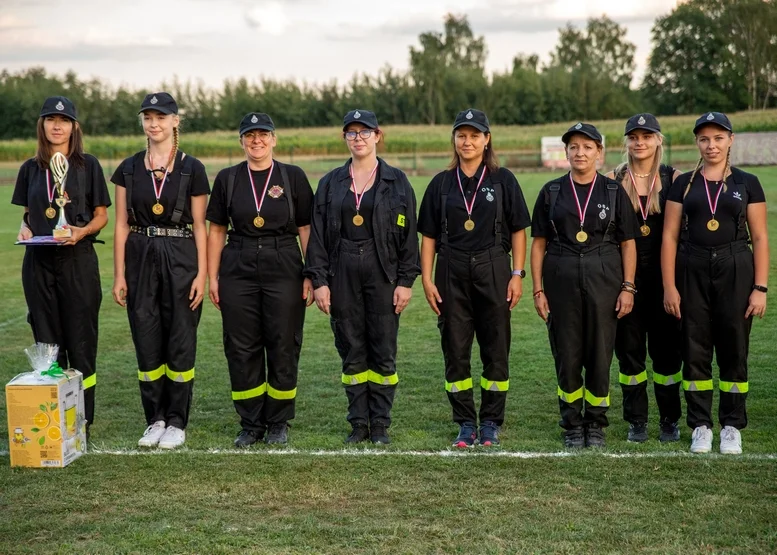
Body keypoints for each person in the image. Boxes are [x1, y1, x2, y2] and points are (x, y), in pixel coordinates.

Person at [304, 109, 420, 445]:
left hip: (382, 270)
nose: (358, 138)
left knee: (382, 348)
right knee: (351, 347)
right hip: (341, 271)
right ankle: (358, 422)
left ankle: (380, 422)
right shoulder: (330, 183)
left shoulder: (396, 180)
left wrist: (405, 281)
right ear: (345, 138)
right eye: (352, 133)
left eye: (364, 132)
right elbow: (319, 238)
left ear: (377, 136)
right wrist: (321, 280)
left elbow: (409, 236)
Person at [417, 108, 531, 448]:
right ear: (454, 139)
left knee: (496, 349)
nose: (468, 141)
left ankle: (492, 422)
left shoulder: (503, 180)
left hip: (494, 267)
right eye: (462, 135)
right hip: (450, 270)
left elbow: (519, 231)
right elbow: (429, 237)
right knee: (455, 350)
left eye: (475, 135)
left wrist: (517, 274)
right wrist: (426, 278)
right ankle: (465, 422)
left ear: (487, 139)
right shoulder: (440, 183)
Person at [662, 112, 768, 455]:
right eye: (704, 139)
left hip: (736, 266)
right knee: (695, 348)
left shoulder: (747, 182)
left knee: (734, 348)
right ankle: (701, 426)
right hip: (690, 267)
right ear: (697, 142)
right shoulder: (684, 184)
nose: (711, 145)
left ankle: (732, 426)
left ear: (730, 140)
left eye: (718, 138)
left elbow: (761, 237)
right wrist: (669, 286)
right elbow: (669, 237)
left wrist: (761, 287)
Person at [206, 113, 314, 447]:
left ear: (274, 139)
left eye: (263, 134)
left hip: (283, 260)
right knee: (242, 346)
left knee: (283, 342)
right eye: (249, 135)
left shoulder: (292, 176)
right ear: (241, 141)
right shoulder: (228, 178)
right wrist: (213, 276)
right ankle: (251, 423)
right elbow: (217, 230)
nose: (257, 141)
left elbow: (307, 229)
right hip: (237, 262)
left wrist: (311, 273)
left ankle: (279, 421)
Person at [111, 92, 210, 450]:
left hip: (181, 254)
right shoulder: (128, 167)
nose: (154, 124)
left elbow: (200, 225)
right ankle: (155, 419)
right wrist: (120, 274)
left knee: (181, 337)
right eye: (148, 118)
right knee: (147, 338)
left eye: (161, 117)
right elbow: (121, 225)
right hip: (140, 253)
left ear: (175, 121)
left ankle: (177, 422)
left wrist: (202, 274)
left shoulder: (192, 167)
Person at [531, 122, 638, 449]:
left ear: (599, 152)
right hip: (560, 278)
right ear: (566, 152)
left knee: (600, 353)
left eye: (587, 147)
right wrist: (538, 289)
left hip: (603, 278)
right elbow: (538, 244)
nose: (580, 152)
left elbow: (628, 244)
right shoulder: (551, 191)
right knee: (567, 353)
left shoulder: (612, 191)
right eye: (574, 147)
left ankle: (596, 424)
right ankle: (572, 424)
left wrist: (628, 287)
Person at [12, 96, 111, 437]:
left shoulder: (89, 165)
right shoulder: (30, 168)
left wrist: (81, 231)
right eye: (51, 119)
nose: (57, 125)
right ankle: (55, 420)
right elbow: (29, 215)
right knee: (47, 343)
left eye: (64, 120)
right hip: (38, 263)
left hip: (77, 262)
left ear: (74, 126)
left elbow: (102, 215)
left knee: (81, 343)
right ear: (42, 125)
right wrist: (24, 228)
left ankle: (83, 421)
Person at [606, 113, 683, 443]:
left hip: (665, 280)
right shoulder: (612, 178)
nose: (640, 142)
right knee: (630, 354)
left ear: (658, 140)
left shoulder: (675, 178)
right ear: (626, 142)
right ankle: (636, 420)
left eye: (647, 136)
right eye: (634, 137)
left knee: (667, 355)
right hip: (625, 281)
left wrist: (675, 286)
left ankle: (669, 419)